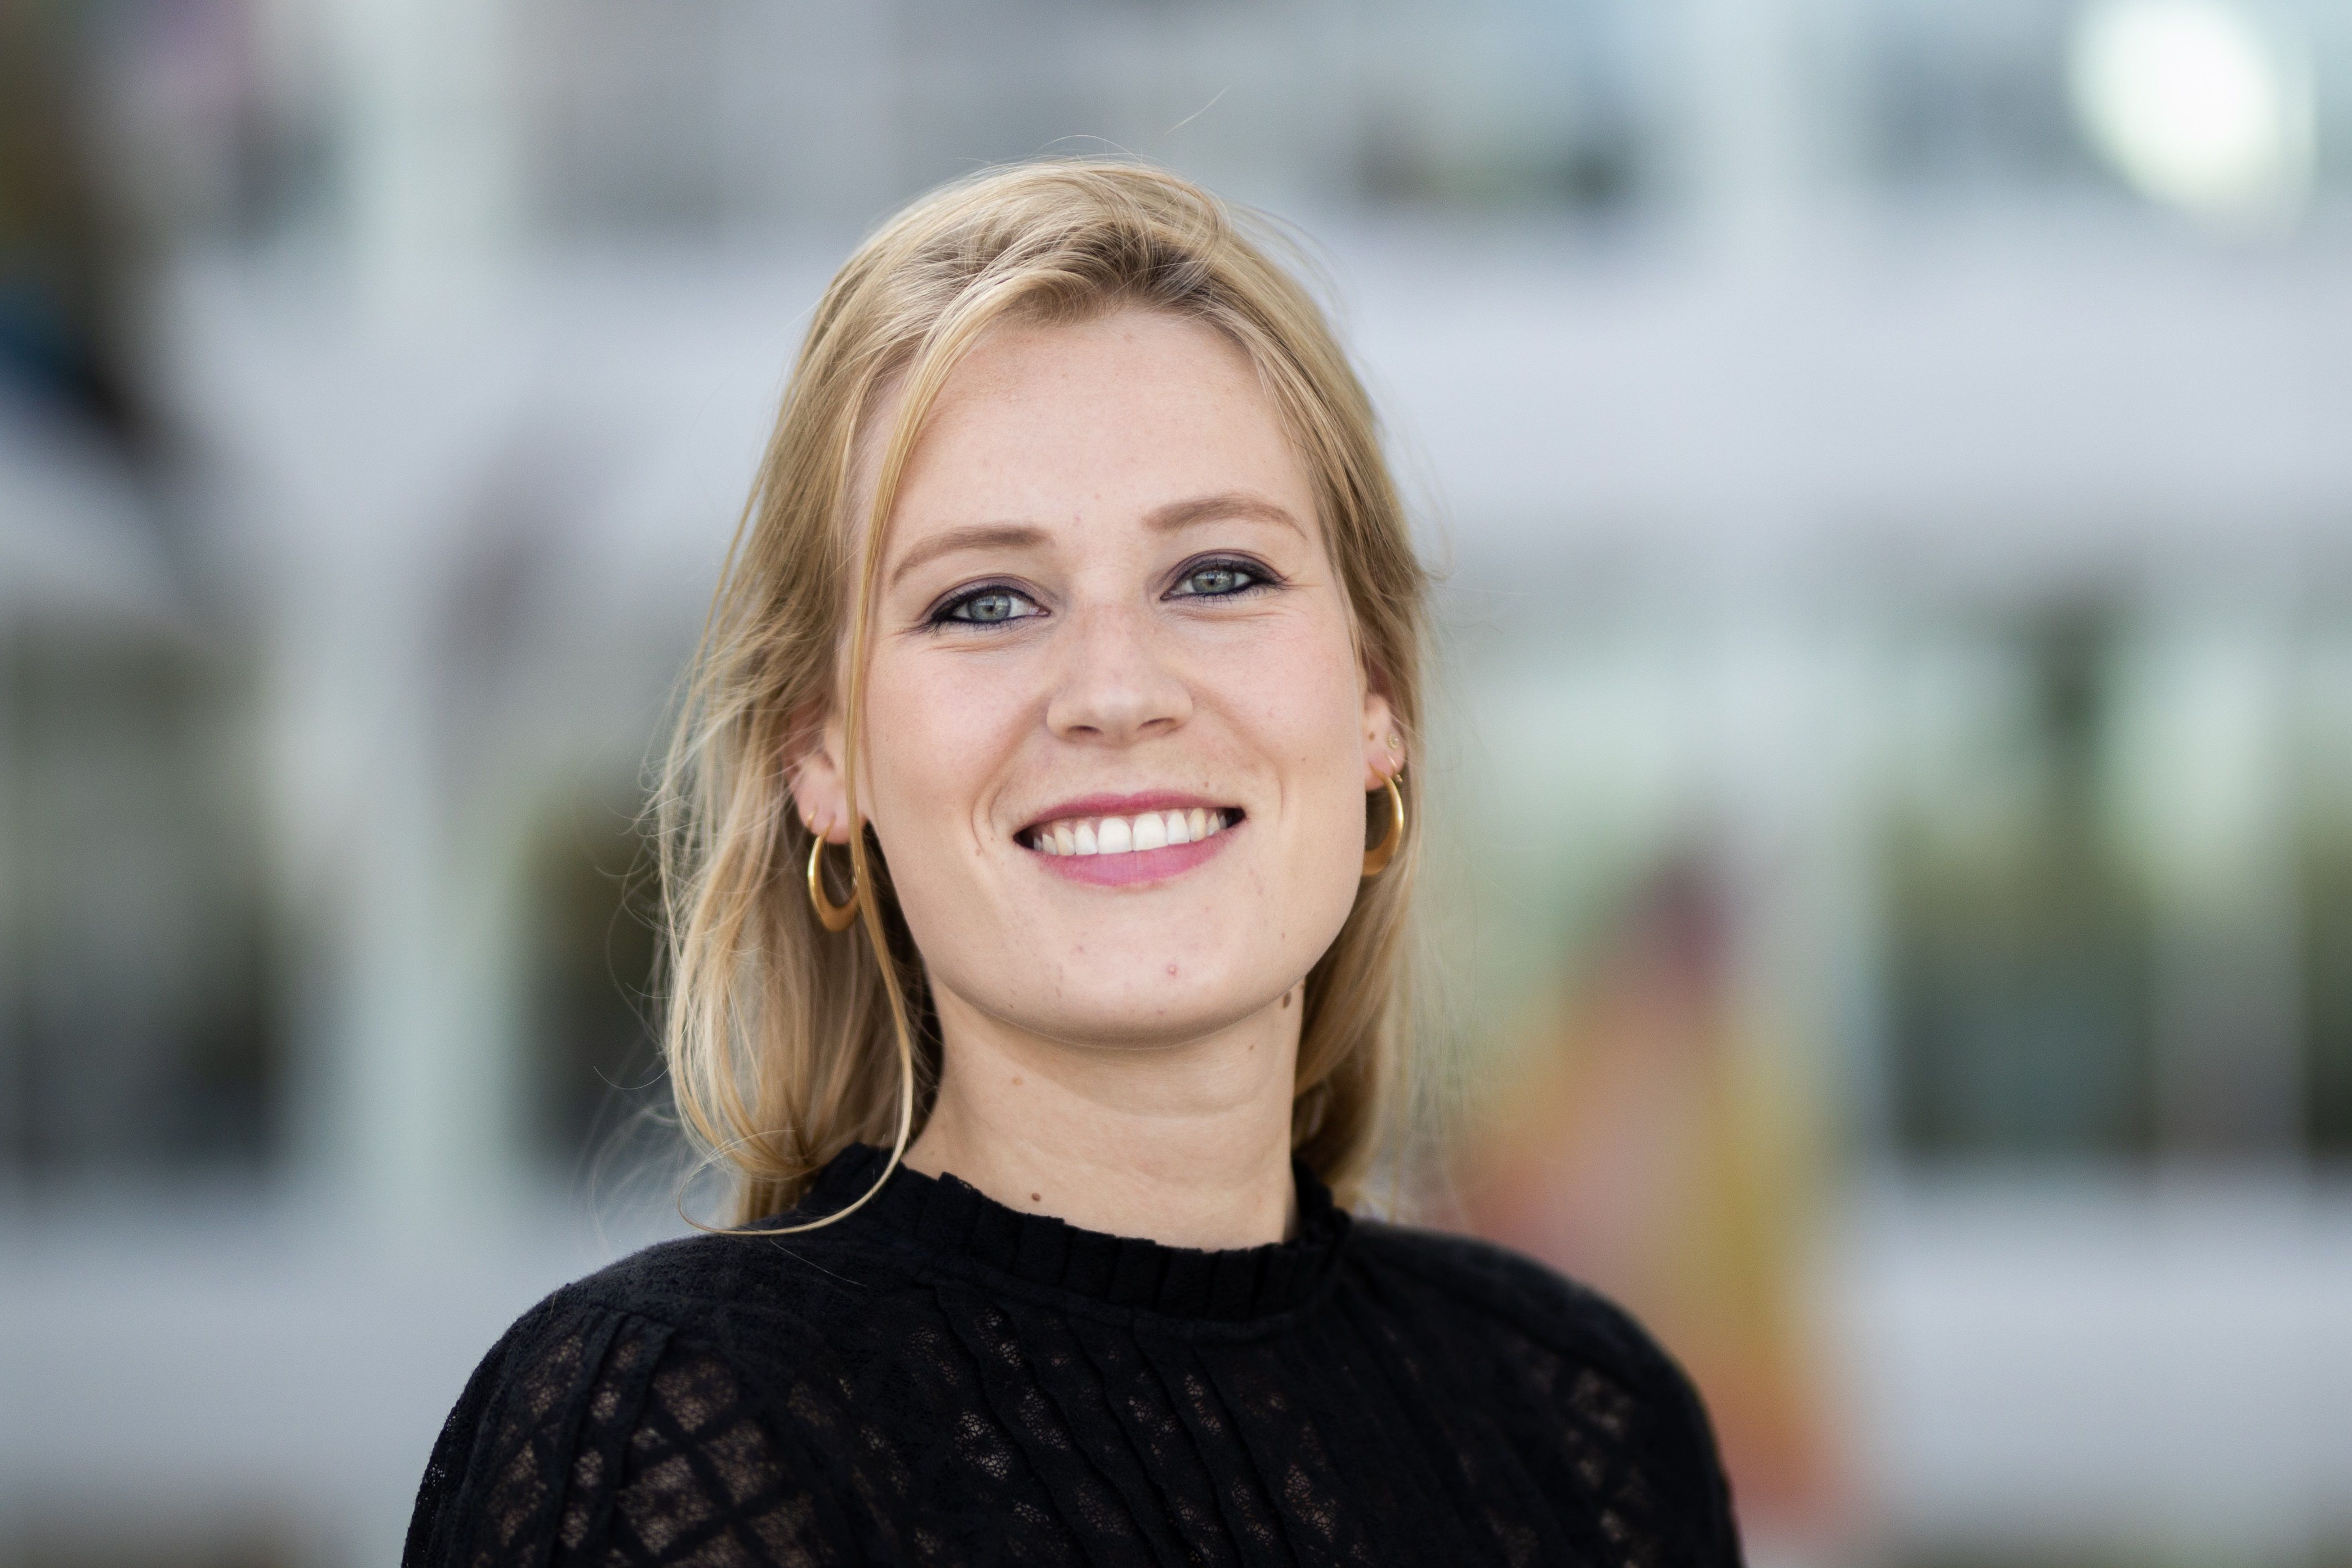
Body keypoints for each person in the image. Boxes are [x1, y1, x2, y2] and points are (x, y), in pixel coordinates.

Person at [404, 159, 1741, 1567]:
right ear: (823, 755)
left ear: (1376, 701)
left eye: (1218, 575)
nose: (1115, 692)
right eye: (986, 602)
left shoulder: (1590, 1427)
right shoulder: (665, 1432)